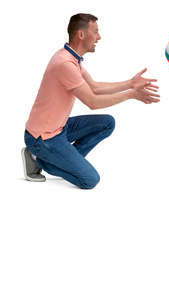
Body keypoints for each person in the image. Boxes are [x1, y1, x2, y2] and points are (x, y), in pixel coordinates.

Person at [22, 13, 160, 189]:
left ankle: (64, 162)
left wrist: (130, 83)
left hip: (59, 128)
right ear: (81, 34)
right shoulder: (64, 63)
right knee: (89, 180)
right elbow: (93, 101)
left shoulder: (71, 58)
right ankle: (39, 160)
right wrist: (131, 94)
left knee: (107, 123)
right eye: (95, 32)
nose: (99, 37)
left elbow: (94, 87)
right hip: (42, 138)